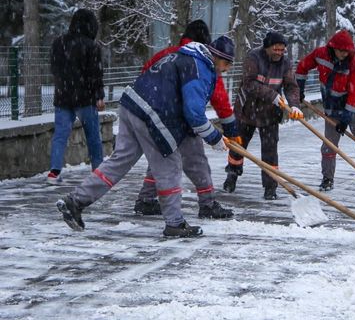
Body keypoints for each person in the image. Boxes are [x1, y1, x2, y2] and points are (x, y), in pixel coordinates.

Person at [56, 36, 236, 238]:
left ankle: (75, 201)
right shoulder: (199, 66)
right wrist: (213, 137)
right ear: (216, 56)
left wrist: (209, 134)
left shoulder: (182, 56)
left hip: (131, 103)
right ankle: (175, 223)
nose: (226, 68)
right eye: (226, 63)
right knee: (170, 164)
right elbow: (194, 113)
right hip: (154, 113)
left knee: (120, 160)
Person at [133, 20, 239, 219]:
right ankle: (207, 204)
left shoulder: (169, 54)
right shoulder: (203, 64)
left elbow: (146, 77)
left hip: (157, 116)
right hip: (183, 120)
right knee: (196, 160)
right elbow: (218, 97)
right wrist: (230, 128)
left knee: (161, 157)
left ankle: (146, 199)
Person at [295, 30, 355, 192]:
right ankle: (327, 178)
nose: (343, 54)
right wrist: (299, 88)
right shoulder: (320, 54)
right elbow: (302, 67)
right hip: (332, 107)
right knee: (329, 145)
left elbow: (354, 92)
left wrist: (347, 117)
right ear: (333, 47)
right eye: (341, 51)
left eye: (346, 51)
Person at [222, 31, 303, 200]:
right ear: (267, 47)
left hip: (270, 113)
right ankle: (232, 176)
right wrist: (272, 95)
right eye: (276, 49)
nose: (279, 53)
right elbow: (249, 82)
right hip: (247, 110)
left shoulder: (285, 63)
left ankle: (270, 187)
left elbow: (291, 86)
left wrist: (294, 106)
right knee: (238, 146)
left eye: (282, 50)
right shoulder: (254, 57)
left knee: (270, 151)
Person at [47, 8, 105, 184]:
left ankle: (54, 172)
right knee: (93, 136)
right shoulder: (91, 46)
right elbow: (95, 74)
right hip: (85, 98)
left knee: (60, 135)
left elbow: (53, 68)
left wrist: (64, 84)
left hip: (63, 96)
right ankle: (98, 171)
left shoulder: (58, 43)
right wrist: (99, 96)